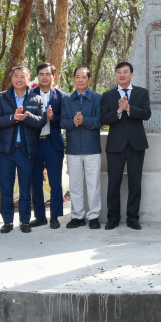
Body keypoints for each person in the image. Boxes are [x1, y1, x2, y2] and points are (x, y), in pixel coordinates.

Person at [0, 66, 47, 233]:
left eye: (23, 76)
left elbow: (41, 122)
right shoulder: (1, 98)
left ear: (29, 79)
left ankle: (24, 221)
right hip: (6, 150)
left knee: (25, 186)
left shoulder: (36, 99)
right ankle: (7, 221)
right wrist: (13, 118)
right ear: (12, 78)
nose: (19, 79)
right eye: (16, 76)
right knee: (6, 187)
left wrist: (27, 117)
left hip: (26, 150)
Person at [101, 62, 151, 230]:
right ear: (116, 75)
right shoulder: (107, 95)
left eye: (125, 72)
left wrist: (129, 108)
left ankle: (132, 218)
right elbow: (103, 119)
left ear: (131, 74)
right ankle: (113, 218)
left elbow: (146, 114)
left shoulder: (141, 93)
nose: (122, 75)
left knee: (135, 182)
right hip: (115, 145)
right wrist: (118, 112)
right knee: (113, 182)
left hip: (136, 144)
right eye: (119, 72)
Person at [61, 66, 103, 229]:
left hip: (92, 148)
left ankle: (93, 216)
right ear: (73, 79)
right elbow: (62, 122)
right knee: (75, 185)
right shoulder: (66, 99)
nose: (80, 80)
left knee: (93, 185)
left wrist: (83, 121)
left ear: (89, 80)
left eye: (83, 77)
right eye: (77, 77)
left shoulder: (97, 98)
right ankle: (77, 216)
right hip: (72, 149)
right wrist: (74, 122)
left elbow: (99, 121)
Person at [29, 63, 67, 229]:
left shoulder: (62, 96)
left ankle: (55, 216)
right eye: (41, 74)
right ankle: (40, 216)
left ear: (53, 77)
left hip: (53, 144)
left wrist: (52, 118)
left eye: (47, 74)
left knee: (55, 182)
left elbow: (65, 120)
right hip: (35, 143)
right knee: (35, 181)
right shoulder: (30, 95)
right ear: (38, 77)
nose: (44, 77)